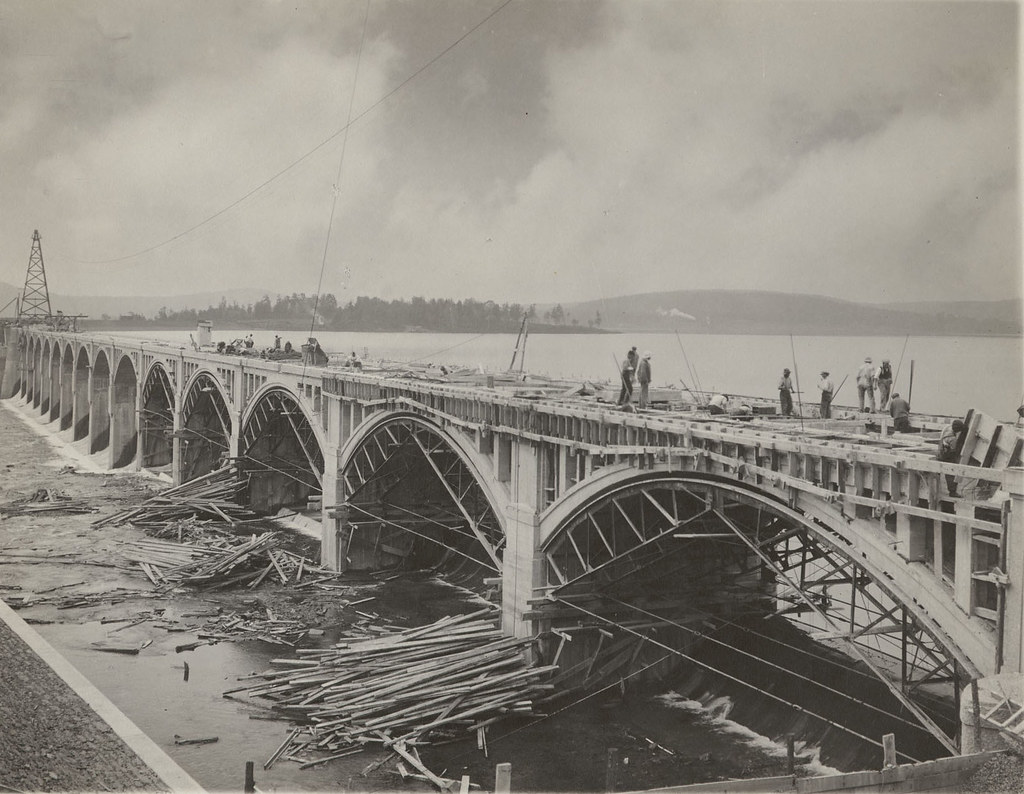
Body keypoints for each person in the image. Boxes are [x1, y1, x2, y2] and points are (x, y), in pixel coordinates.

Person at [937, 418, 966, 497]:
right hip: (947, 456)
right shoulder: (952, 439)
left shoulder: (947, 429)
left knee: (937, 473)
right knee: (951, 473)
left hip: (940, 453)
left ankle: (936, 490)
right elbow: (954, 450)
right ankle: (952, 492)